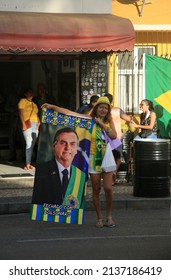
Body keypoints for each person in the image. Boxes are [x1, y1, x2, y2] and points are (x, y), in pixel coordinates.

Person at [41, 96, 117, 228]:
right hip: (93, 157)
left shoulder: (109, 121)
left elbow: (114, 136)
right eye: (101, 107)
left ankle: (109, 216)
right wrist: (52, 107)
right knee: (96, 189)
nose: (103, 110)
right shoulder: (87, 120)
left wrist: (102, 124)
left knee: (108, 188)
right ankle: (99, 218)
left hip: (106, 156)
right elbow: (69, 113)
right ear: (96, 108)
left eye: (106, 108)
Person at [32, 127, 86, 208]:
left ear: (76, 150)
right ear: (54, 146)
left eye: (72, 144)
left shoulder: (81, 176)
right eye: (63, 143)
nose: (68, 148)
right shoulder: (41, 171)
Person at [104, 93, 132, 180]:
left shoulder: (102, 110)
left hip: (105, 137)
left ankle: (108, 175)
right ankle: (114, 171)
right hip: (117, 138)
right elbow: (127, 118)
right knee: (118, 158)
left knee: (107, 157)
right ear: (112, 101)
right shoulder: (117, 110)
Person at [18, 88, 40, 170]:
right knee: (28, 143)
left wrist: (39, 122)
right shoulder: (22, 101)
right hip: (27, 123)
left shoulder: (34, 104)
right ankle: (27, 163)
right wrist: (23, 123)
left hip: (35, 124)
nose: (31, 94)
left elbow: (36, 114)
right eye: (29, 93)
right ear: (25, 94)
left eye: (32, 93)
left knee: (32, 145)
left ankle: (29, 163)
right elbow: (20, 112)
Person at [5, 83, 25, 162]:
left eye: (19, 87)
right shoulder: (11, 96)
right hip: (13, 118)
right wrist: (14, 109)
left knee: (23, 138)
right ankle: (12, 155)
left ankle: (24, 155)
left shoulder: (23, 96)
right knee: (11, 137)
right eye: (17, 87)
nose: (18, 88)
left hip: (21, 119)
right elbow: (6, 107)